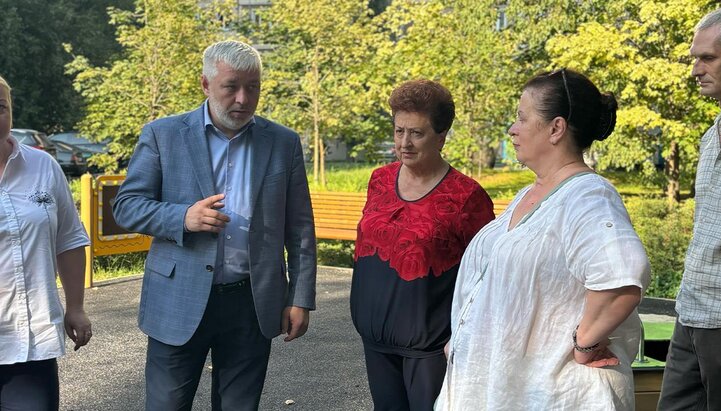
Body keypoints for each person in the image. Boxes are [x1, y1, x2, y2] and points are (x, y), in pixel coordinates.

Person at [112, 41, 316, 410]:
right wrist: (182, 218)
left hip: (251, 301)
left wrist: (300, 297)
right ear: (206, 84)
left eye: (252, 87)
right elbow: (126, 207)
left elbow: (300, 228)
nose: (243, 98)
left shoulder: (283, 142)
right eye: (231, 86)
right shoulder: (163, 134)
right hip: (178, 298)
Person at [434, 69, 651, 410]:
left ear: (556, 129)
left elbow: (621, 277)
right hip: (505, 390)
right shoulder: (531, 193)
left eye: (522, 118)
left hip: (554, 395)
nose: (512, 128)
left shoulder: (588, 197)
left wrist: (584, 344)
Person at [350, 79, 495, 411]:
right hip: (375, 339)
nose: (405, 142)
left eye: (416, 133)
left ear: (441, 137)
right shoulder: (380, 179)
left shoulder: (466, 196)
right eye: (399, 131)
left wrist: (466, 337)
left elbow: (486, 274)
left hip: (430, 349)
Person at [0, 75, 92, 409]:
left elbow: (68, 239)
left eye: (0, 107)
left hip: (29, 341)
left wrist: (76, 307)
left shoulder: (43, 166)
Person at [658, 7, 721, 410]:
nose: (695, 69)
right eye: (694, 58)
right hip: (691, 312)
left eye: (708, 58)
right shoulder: (710, 135)